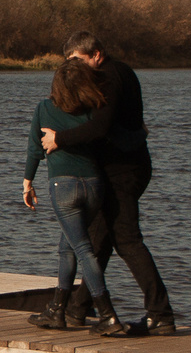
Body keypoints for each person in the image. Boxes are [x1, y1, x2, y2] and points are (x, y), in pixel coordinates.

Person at [37, 31, 180, 334]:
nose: (72, 67)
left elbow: (100, 126)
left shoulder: (109, 77)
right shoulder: (117, 73)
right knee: (98, 240)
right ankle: (76, 310)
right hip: (123, 167)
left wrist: (58, 138)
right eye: (68, 61)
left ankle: (160, 314)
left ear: (96, 54)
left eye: (77, 60)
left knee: (126, 240)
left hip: (123, 172)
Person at [20, 56, 125, 336]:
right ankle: (57, 310)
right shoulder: (93, 111)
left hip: (63, 187)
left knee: (82, 249)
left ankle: (107, 315)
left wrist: (27, 184)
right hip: (93, 186)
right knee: (67, 247)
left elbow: (34, 149)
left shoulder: (44, 108)